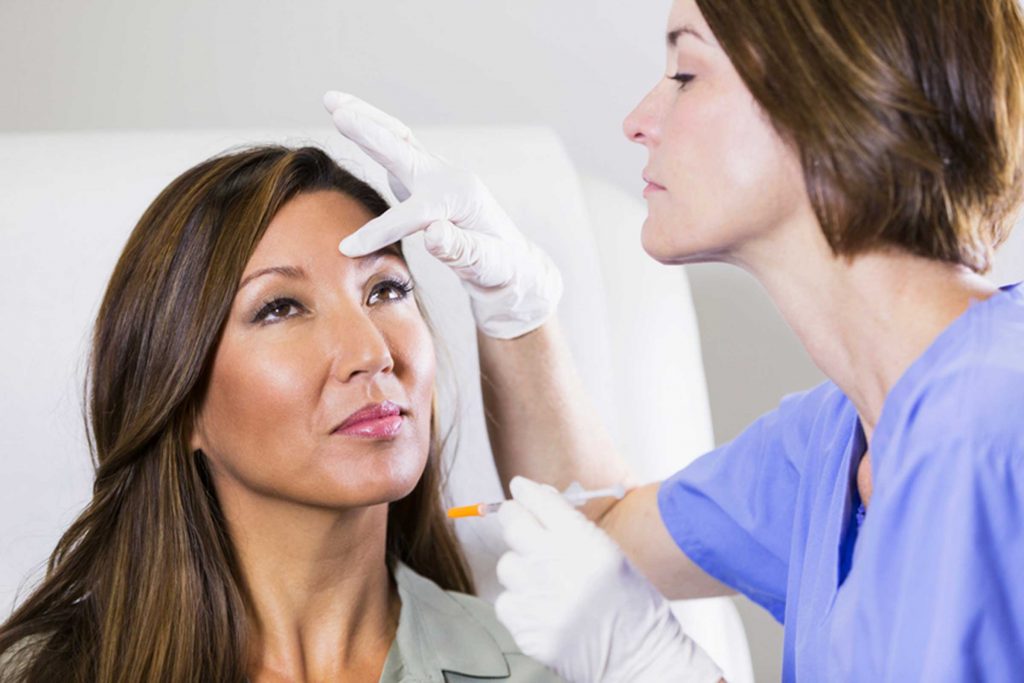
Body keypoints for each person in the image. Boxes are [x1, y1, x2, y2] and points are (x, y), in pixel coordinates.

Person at [323, 0, 1024, 679]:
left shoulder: (994, 424)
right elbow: (601, 527)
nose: (637, 122)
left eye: (686, 73)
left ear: (842, 96)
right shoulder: (832, 446)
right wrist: (517, 310)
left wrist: (658, 667)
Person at [0, 146, 563, 682]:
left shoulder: (547, 668)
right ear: (179, 400)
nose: (373, 352)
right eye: (281, 308)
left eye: (386, 290)